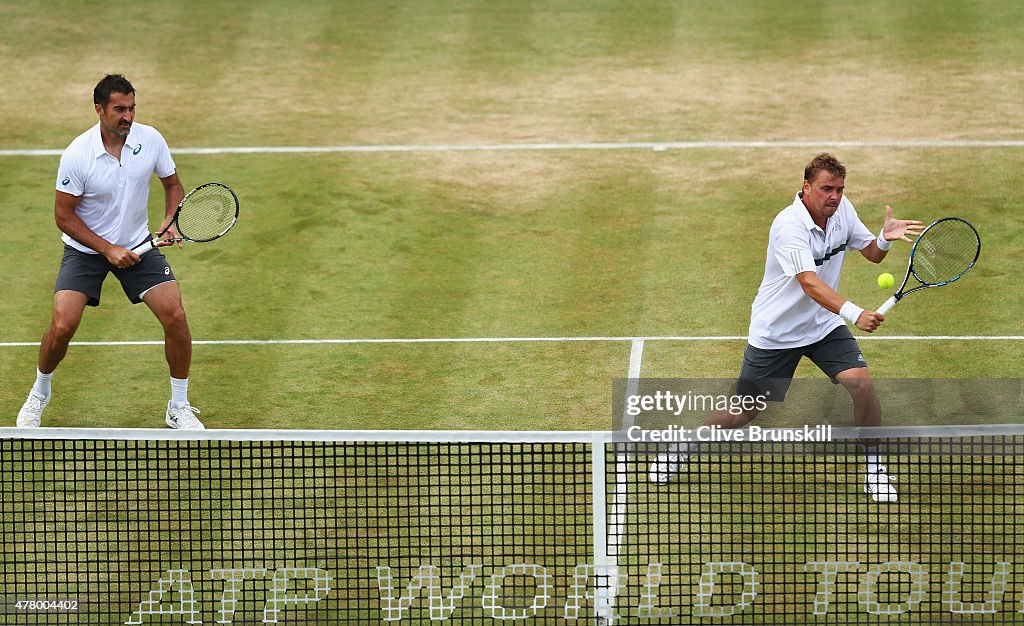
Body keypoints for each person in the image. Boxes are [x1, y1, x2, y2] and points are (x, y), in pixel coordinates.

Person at [649, 153, 923, 501]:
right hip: (777, 332)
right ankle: (681, 448)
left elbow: (872, 253)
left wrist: (884, 239)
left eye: (839, 189)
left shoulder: (843, 211)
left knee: (862, 385)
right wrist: (855, 313)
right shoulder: (788, 225)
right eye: (826, 189)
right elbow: (809, 282)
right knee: (744, 410)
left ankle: (874, 469)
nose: (834, 197)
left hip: (822, 325)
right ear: (806, 187)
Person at [16, 74, 204, 430]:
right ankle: (39, 394)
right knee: (63, 325)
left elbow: (173, 184)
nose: (128, 117)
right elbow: (63, 216)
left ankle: (178, 406)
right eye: (120, 109)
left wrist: (170, 219)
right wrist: (107, 249)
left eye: (132, 108)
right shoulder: (77, 154)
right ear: (99, 110)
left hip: (137, 245)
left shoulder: (151, 140)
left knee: (175, 317)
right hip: (86, 250)